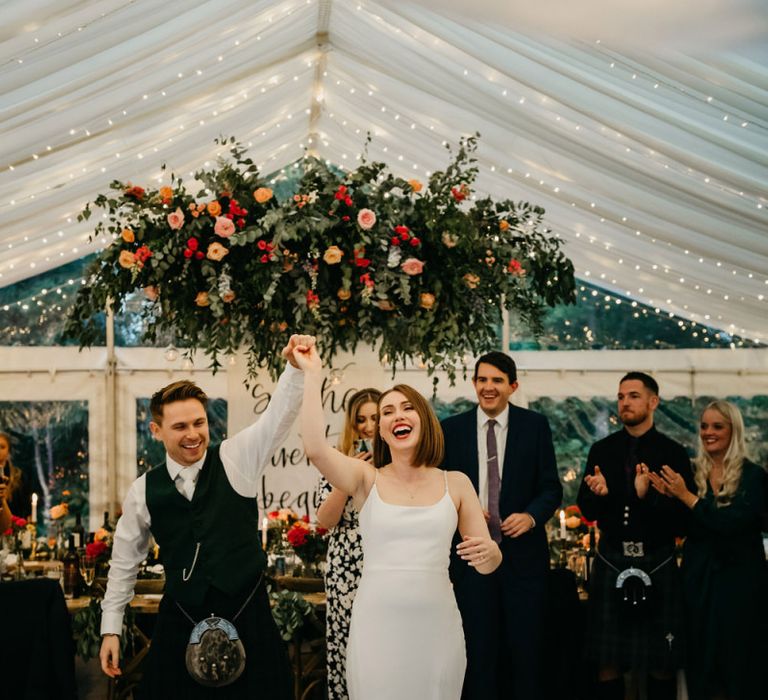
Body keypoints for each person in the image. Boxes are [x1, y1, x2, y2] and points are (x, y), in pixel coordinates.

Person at [98, 333, 314, 699]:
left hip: (249, 616)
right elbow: (123, 565)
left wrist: (293, 369)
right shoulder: (142, 491)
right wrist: (111, 629)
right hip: (181, 618)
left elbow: (278, 418)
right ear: (156, 431)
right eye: (180, 427)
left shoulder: (236, 459)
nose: (193, 434)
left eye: (198, 423)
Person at [293, 343, 501, 700]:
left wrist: (490, 553)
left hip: (438, 627)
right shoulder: (365, 478)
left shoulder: (457, 483)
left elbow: (488, 564)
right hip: (377, 625)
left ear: (424, 418)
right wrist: (312, 376)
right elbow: (314, 448)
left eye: (406, 407)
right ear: (382, 430)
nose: (396, 415)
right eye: (387, 411)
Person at [440, 351, 562, 700]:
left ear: (513, 386)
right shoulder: (452, 428)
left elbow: (551, 487)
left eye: (496, 381)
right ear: (474, 383)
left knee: (526, 655)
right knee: (477, 655)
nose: (488, 387)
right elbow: (441, 487)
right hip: (470, 561)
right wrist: (466, 509)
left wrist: (531, 516)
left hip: (524, 562)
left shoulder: (535, 425)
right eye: (482, 380)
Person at [577, 372, 692, 700]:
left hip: (658, 561)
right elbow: (587, 509)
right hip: (611, 559)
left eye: (633, 396)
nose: (624, 402)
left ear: (653, 402)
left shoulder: (673, 453)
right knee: (607, 661)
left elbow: (684, 522)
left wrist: (649, 497)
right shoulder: (602, 450)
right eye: (621, 396)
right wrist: (598, 494)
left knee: (662, 660)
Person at [648, 400, 767, 700]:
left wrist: (685, 496)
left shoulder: (753, 476)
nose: (708, 433)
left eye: (717, 426)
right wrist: (665, 498)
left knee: (738, 662)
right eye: (704, 426)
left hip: (740, 584)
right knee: (701, 662)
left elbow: (731, 523)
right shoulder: (690, 472)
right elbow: (682, 527)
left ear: (733, 431)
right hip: (698, 582)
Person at [315, 387, 381, 700]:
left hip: (386, 561)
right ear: (351, 424)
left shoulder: (399, 465)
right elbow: (325, 521)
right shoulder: (335, 461)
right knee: (348, 643)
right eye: (361, 420)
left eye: (375, 418)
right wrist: (347, 476)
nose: (368, 426)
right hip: (346, 566)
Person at [0, 431, 34, 521]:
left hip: (15, 525)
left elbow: (25, 505)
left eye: (2, 447)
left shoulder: (18, 475)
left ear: (8, 451)